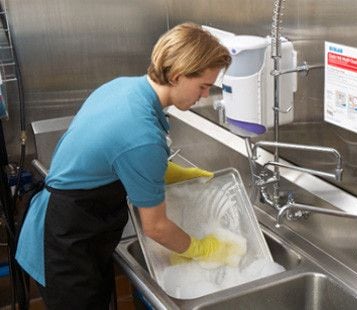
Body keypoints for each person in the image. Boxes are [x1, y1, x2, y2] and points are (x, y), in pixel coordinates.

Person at [15, 23, 232, 309]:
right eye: (203, 86)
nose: (205, 95)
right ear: (178, 76)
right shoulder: (142, 135)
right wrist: (203, 249)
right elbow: (156, 227)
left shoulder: (124, 87)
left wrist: (174, 174)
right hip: (67, 247)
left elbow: (118, 156)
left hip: (69, 229)